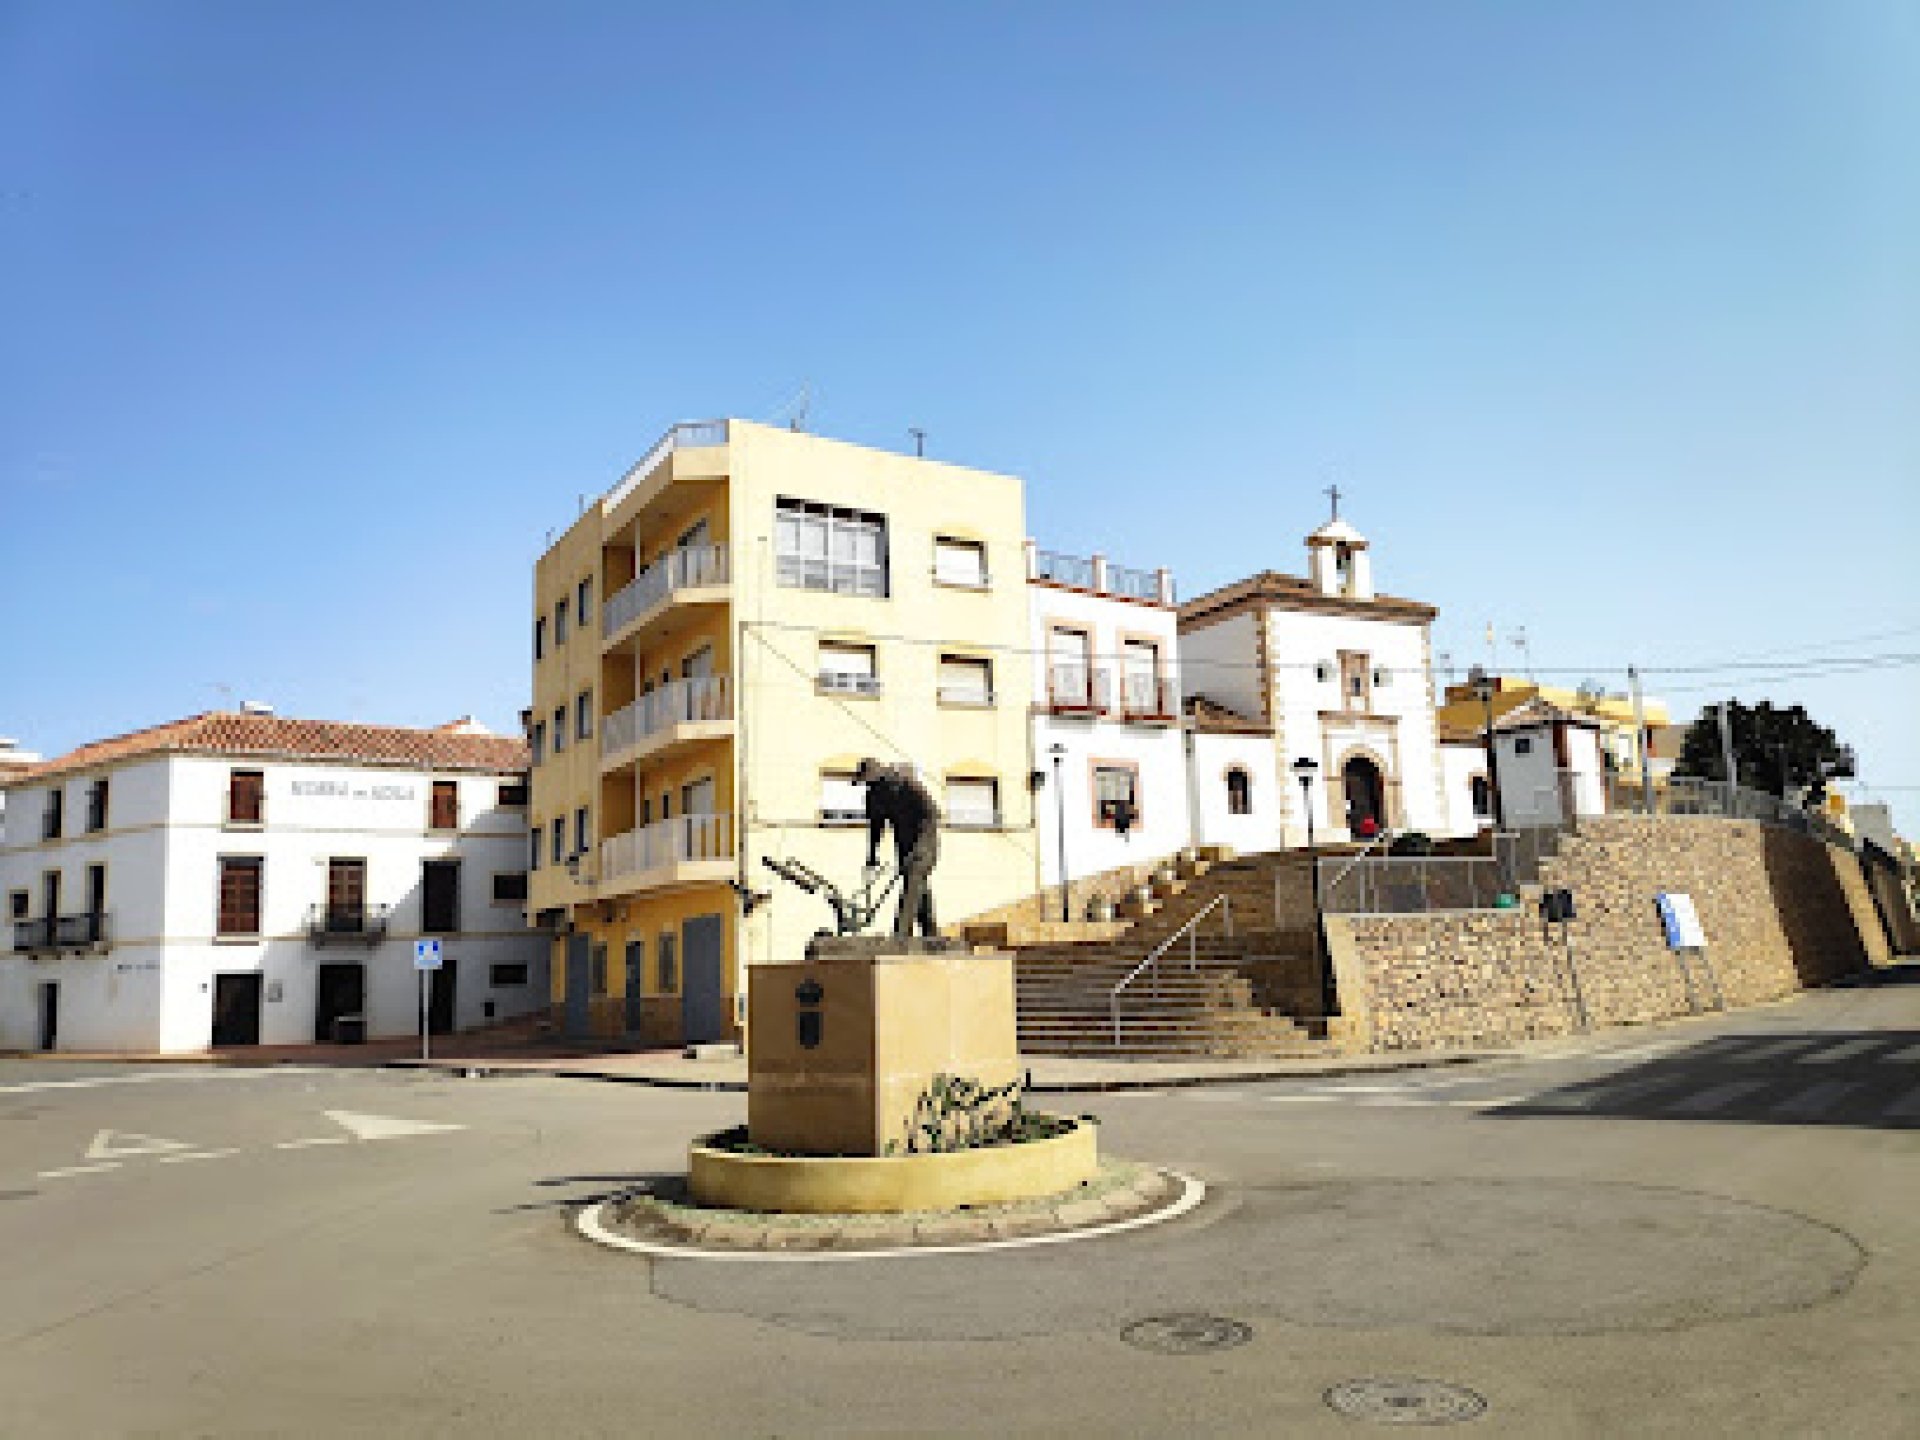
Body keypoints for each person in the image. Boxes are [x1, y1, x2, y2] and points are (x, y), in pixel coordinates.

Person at [855, 757, 940, 939]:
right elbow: (876, 828)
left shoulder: (905, 783)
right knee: (918, 886)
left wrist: (920, 845)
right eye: (867, 783)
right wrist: (872, 856)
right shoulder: (874, 797)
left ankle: (901, 933)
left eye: (871, 781)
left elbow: (933, 812)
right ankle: (931, 933)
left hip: (925, 840)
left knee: (914, 877)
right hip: (904, 843)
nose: (869, 786)